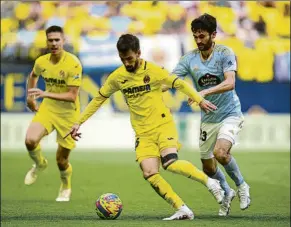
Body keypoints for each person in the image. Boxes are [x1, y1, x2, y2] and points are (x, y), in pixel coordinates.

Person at [65, 34, 224, 221]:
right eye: (123, 59)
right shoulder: (117, 77)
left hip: (163, 124)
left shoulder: (154, 70)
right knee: (149, 172)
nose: (127, 62)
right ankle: (182, 209)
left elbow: (179, 83)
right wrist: (78, 122)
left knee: (170, 163)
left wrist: (200, 99)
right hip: (142, 132)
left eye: (130, 58)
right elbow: (99, 99)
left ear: (139, 53)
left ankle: (210, 182)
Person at [169, 13, 251, 216]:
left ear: (213, 35)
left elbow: (230, 83)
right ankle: (227, 190)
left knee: (220, 153)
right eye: (195, 36)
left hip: (230, 113)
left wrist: (203, 92)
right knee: (207, 167)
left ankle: (241, 186)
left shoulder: (225, 53)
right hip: (208, 119)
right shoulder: (189, 59)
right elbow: (170, 80)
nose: (198, 41)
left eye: (202, 36)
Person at [24, 25, 82, 202]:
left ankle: (66, 186)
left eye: (57, 40)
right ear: (46, 41)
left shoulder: (73, 64)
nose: (54, 43)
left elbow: (72, 96)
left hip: (68, 115)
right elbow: (33, 75)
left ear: (63, 41)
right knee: (30, 140)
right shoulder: (42, 61)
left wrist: (44, 93)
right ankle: (40, 164)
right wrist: (30, 97)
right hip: (48, 108)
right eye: (51, 40)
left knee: (61, 160)